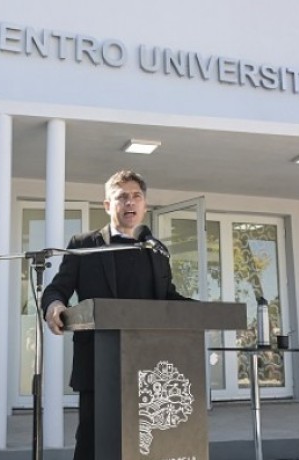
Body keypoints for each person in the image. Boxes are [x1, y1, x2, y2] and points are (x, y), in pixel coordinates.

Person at [41, 170, 190, 460]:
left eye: (136, 196)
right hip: (99, 364)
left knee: (143, 445)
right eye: (122, 197)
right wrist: (54, 307)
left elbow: (167, 297)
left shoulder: (156, 250)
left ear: (145, 204)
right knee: (93, 444)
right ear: (108, 205)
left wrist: (200, 310)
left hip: (149, 366)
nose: (130, 203)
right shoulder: (84, 244)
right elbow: (56, 289)